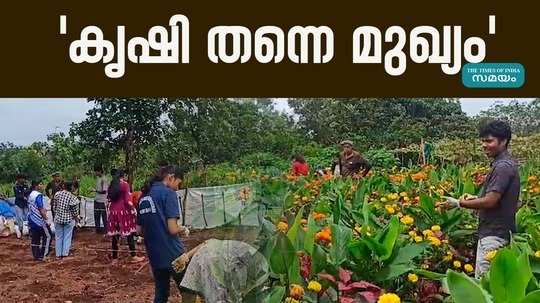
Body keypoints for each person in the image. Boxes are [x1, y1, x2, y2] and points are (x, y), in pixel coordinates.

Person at [445, 120, 520, 278]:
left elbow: (490, 201)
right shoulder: (502, 164)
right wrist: (476, 198)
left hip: (494, 235)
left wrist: (459, 203)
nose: (484, 145)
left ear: (504, 141)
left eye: (489, 141)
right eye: (483, 141)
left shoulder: (502, 167)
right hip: (497, 233)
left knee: (484, 284)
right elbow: (496, 198)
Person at [137, 165, 190, 303]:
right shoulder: (168, 194)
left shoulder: (143, 196)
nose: (178, 188)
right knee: (188, 291)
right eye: (178, 183)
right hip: (173, 254)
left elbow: (139, 231)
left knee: (161, 294)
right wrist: (183, 228)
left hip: (155, 255)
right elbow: (172, 229)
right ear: (170, 177)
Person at [107, 169, 144, 264]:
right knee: (130, 234)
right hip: (123, 212)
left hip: (113, 211)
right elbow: (128, 201)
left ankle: (114, 258)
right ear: (123, 176)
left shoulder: (112, 184)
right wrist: (133, 210)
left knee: (116, 235)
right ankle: (133, 256)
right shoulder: (124, 184)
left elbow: (109, 199)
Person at [53, 181, 80, 259]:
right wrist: (77, 220)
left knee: (58, 237)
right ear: (71, 187)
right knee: (67, 237)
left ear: (64, 186)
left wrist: (58, 214)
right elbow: (75, 212)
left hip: (58, 219)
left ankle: (58, 254)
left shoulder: (57, 194)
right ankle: (65, 254)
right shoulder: (73, 197)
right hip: (68, 219)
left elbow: (54, 207)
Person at [27, 179, 53, 261]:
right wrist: (46, 219)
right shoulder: (38, 195)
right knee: (48, 236)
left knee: (35, 238)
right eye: (41, 184)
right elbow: (41, 208)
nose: (42, 185)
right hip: (39, 221)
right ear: (36, 185)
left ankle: (36, 255)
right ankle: (44, 255)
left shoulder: (30, 194)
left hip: (32, 219)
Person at [93, 166, 108, 234]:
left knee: (104, 216)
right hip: (97, 200)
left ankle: (106, 230)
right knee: (96, 216)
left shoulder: (104, 179)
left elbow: (104, 191)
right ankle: (98, 230)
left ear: (99, 171)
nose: (95, 173)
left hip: (102, 201)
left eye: (96, 171)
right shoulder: (98, 178)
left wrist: (95, 190)